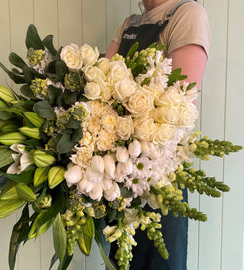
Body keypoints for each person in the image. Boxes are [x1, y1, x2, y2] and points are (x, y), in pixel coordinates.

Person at [105, 0, 210, 269]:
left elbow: (177, 107)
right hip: (119, 178)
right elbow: (101, 89)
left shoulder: (187, 14)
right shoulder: (130, 24)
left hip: (158, 179)